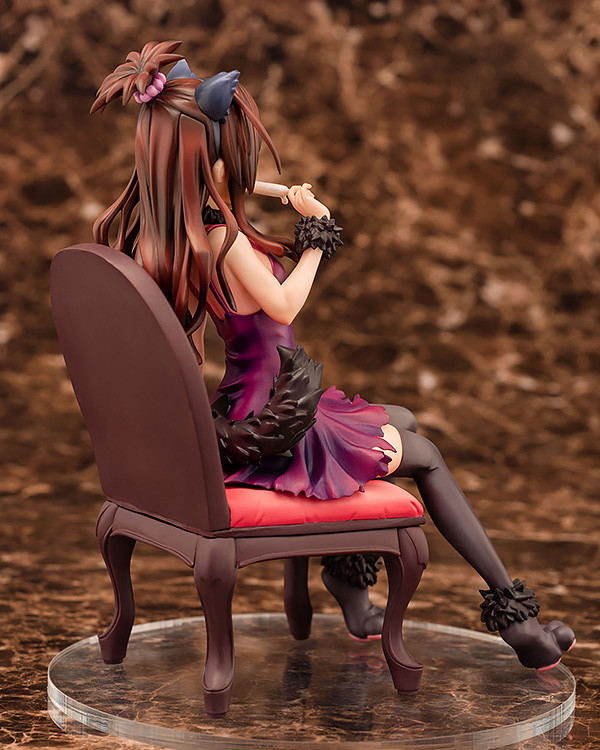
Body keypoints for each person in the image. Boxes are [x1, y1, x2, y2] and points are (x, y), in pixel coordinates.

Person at [91, 41, 575, 670]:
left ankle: (352, 594)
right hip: (274, 419)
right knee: (427, 456)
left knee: (400, 419)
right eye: (237, 147)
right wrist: (317, 231)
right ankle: (521, 625)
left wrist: (275, 191)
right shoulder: (225, 239)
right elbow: (284, 305)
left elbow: (230, 187)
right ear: (211, 157)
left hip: (249, 397)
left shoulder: (179, 228)